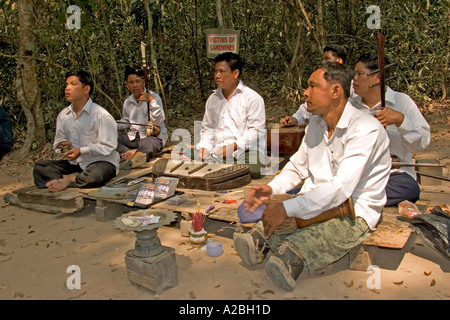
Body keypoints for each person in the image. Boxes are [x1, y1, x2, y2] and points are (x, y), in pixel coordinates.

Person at [234, 62, 391, 291]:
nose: (305, 93)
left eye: (312, 86)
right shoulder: (316, 124)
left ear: (336, 91)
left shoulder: (366, 129)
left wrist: (288, 209)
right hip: (316, 201)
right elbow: (298, 167)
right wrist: (271, 189)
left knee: (300, 243)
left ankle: (289, 256)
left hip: (354, 211)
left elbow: (340, 190)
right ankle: (260, 243)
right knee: (275, 218)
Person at [350, 53, 431, 206]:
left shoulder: (402, 101)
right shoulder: (350, 106)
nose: (354, 78)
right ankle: (357, 199)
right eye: (355, 73)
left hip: (393, 176)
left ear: (377, 77)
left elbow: (423, 143)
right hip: (360, 174)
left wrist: (401, 121)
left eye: (360, 74)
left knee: (409, 188)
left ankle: (351, 199)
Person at [33, 70, 120, 192]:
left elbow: (108, 146)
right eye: (66, 85)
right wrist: (63, 145)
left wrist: (81, 151)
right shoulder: (64, 115)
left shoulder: (101, 115)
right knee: (40, 168)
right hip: (76, 165)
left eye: (73, 84)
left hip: (100, 162)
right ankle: (73, 179)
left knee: (95, 175)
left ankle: (69, 180)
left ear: (86, 89)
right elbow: (58, 143)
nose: (67, 88)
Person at [196, 52, 267, 178]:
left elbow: (256, 132)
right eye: (215, 71)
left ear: (235, 73)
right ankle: (223, 168)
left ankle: (219, 169)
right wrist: (204, 148)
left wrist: (233, 147)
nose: (217, 76)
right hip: (217, 152)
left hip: (245, 152)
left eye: (222, 71)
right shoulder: (213, 99)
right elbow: (208, 129)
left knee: (254, 168)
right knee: (185, 155)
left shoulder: (252, 98)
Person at [280, 44, 349, 127]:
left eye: (327, 59)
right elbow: (306, 109)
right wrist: (295, 119)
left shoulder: (353, 89)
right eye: (322, 59)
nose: (323, 62)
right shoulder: (314, 127)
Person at [116, 66, 168, 164]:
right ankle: (129, 153)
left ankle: (137, 153)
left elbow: (158, 121)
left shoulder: (154, 97)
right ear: (127, 85)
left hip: (152, 137)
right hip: (134, 137)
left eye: (138, 81)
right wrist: (110, 124)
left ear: (143, 82)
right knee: (110, 138)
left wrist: (152, 101)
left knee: (147, 143)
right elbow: (126, 121)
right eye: (131, 82)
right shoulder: (128, 102)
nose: (135, 85)